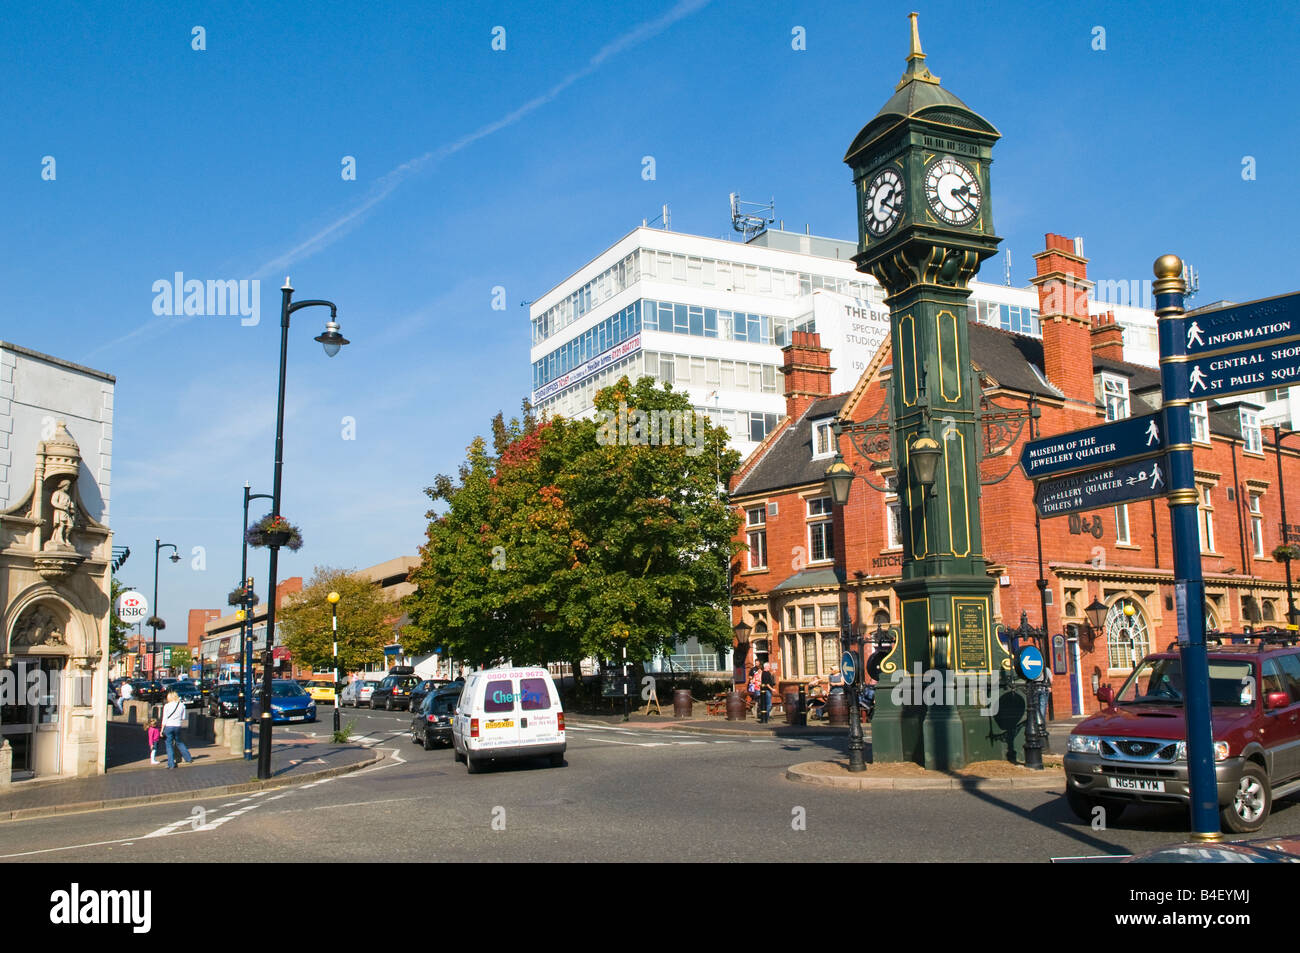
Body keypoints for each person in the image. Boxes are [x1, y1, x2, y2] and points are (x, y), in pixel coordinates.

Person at [161, 691, 194, 769]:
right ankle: (188, 758)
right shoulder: (182, 705)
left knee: (169, 745)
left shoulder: (167, 706)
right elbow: (183, 717)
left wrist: (161, 730)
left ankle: (171, 764)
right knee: (179, 742)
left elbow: (164, 719)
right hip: (177, 726)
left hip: (168, 726)